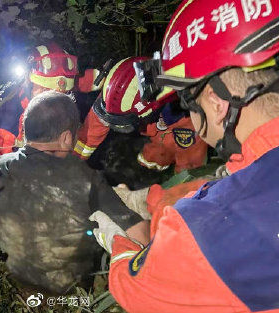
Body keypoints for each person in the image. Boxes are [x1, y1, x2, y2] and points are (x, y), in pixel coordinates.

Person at [90, 0, 279, 312]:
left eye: (190, 103)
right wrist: (154, 198)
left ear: (217, 102)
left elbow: (137, 288)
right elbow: (238, 184)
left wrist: (118, 239)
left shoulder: (214, 233)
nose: (191, 116)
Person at [0, 90, 142, 294]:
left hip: (20, 274)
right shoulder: (86, 180)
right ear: (67, 138)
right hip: (68, 281)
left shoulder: (1, 165)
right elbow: (135, 228)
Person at [74, 57, 208, 173]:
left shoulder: (188, 122)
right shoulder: (119, 92)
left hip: (164, 150)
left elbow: (188, 174)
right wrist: (70, 162)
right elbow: (94, 128)